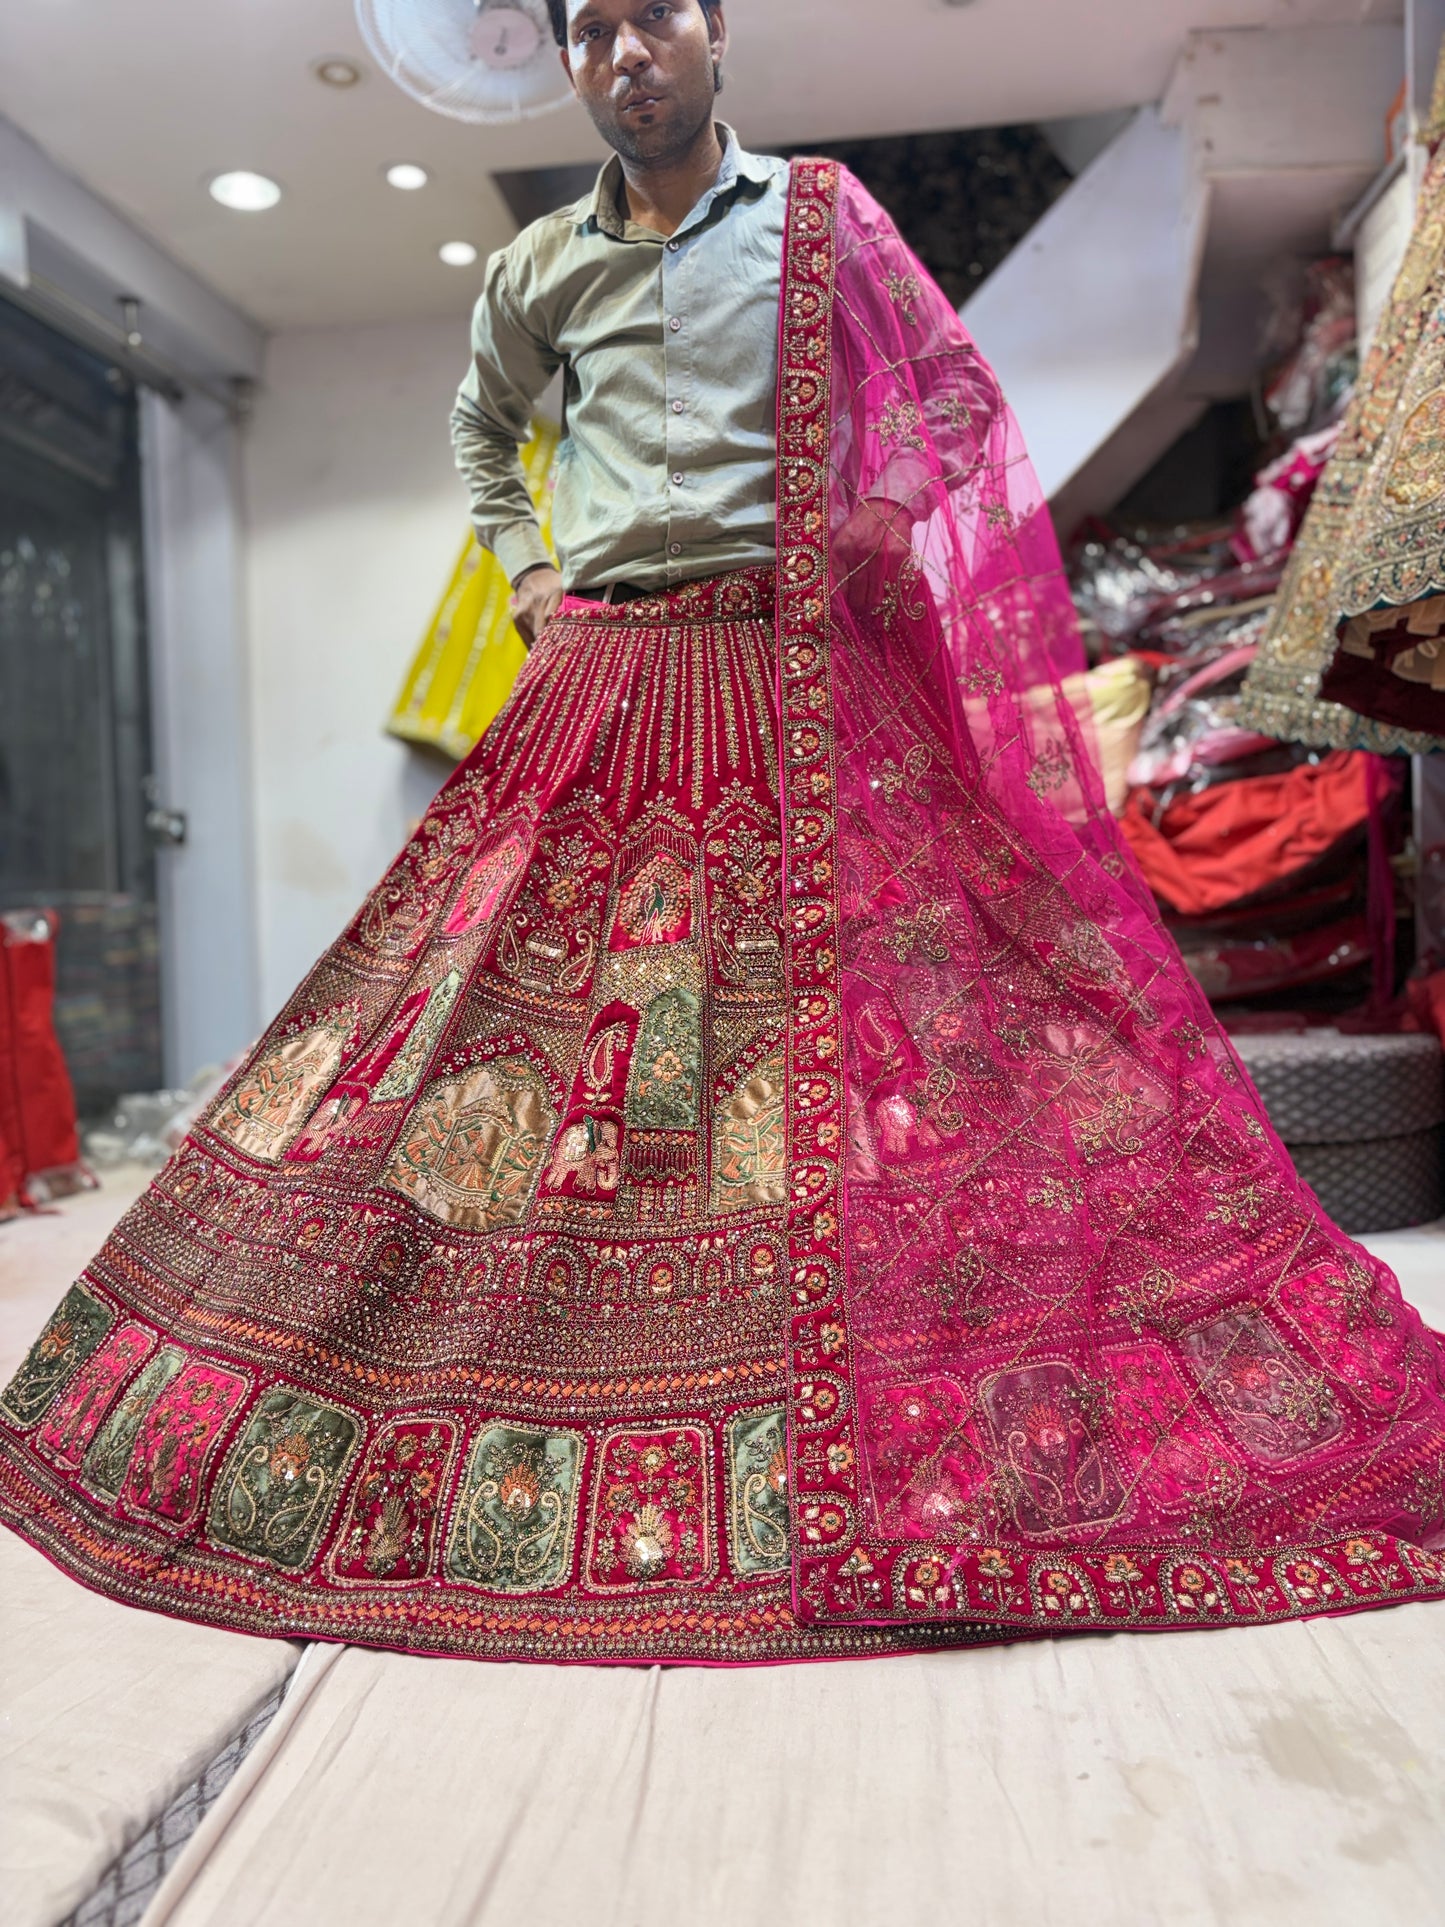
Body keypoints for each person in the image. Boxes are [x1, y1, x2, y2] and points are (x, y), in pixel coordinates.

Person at [3, 0, 1444, 1666]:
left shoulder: (826, 220)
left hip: (800, 671)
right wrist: (532, 579)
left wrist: (875, 514)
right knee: (495, 1023)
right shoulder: (537, 268)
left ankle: (806, 1375)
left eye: (653, 14)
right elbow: (487, 435)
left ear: (713, 34)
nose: (627, 51)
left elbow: (958, 409)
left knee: (879, 1028)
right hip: (605, 678)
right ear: (568, 64)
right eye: (591, 28)